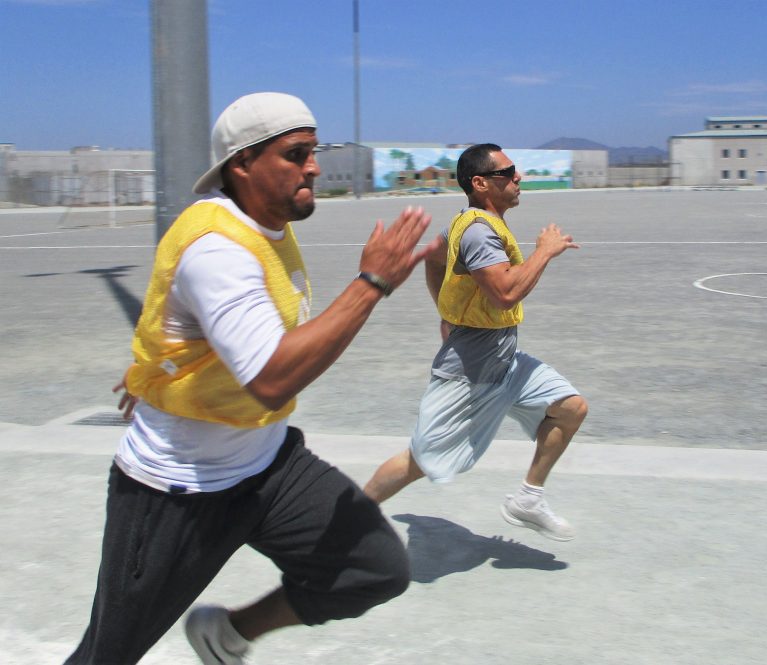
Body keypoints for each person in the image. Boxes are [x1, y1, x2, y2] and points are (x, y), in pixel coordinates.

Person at [66, 92, 438, 665]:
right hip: (178, 489)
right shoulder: (217, 249)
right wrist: (371, 283)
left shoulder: (267, 225)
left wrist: (148, 374)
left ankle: (228, 633)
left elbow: (199, 336)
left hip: (267, 466)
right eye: (296, 154)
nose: (313, 166)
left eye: (315, 151)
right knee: (107, 656)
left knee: (373, 568)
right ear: (242, 164)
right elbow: (270, 379)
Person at [363, 143, 588, 541]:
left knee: (570, 408)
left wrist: (448, 314)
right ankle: (349, 521)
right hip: (470, 369)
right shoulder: (480, 231)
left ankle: (528, 499)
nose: (519, 177)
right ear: (481, 183)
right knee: (420, 460)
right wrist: (544, 252)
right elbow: (504, 293)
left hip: (505, 358)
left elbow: (433, 258)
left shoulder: (467, 223)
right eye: (509, 172)